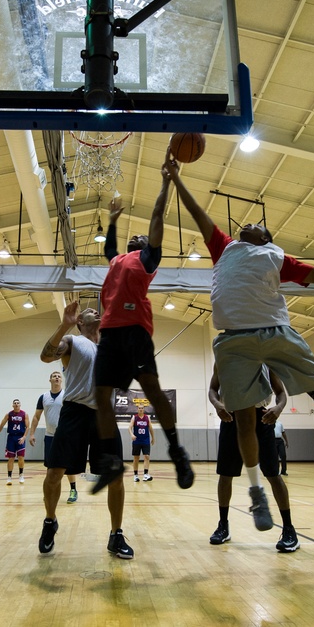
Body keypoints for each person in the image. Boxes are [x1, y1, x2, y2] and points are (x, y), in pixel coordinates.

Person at [168, 152, 314, 530]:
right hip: (233, 341)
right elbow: (197, 213)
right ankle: (256, 494)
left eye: (256, 223)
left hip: (274, 333)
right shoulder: (224, 246)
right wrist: (176, 179)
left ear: (265, 238)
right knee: (242, 422)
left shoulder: (276, 256)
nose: (249, 222)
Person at [91, 172, 194, 494]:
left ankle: (177, 450)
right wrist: (112, 220)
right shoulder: (117, 260)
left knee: (151, 388)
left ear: (149, 244)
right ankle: (110, 459)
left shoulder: (148, 258)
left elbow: (156, 217)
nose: (136, 236)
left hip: (135, 330)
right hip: (109, 332)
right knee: (101, 397)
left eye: (142, 236)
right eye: (132, 236)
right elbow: (109, 246)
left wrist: (164, 185)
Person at [39, 301, 133, 559]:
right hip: (75, 412)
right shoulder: (72, 340)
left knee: (115, 478)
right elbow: (46, 356)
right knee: (55, 472)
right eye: (89, 312)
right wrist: (64, 325)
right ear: (80, 322)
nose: (96, 312)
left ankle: (116, 535)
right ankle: (49, 522)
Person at [209, 363, 299, 552]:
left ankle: (289, 529)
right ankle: (223, 526)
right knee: (225, 475)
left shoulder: (265, 359)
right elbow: (212, 389)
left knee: (273, 474)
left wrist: (279, 408)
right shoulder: (224, 357)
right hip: (230, 416)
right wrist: (217, 405)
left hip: (262, 417)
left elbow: (281, 393)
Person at [28, 371, 78, 502]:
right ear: (50, 380)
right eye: (54, 376)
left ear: (61, 380)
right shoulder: (43, 397)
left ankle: (73, 489)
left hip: (65, 435)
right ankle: (51, 492)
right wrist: (32, 433)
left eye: (59, 376)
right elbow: (36, 416)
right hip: (49, 436)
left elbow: (74, 415)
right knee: (51, 467)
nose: (56, 377)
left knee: (67, 465)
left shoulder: (67, 395)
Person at [0, 399, 29, 485]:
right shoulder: (9, 414)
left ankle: (21, 475)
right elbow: (2, 425)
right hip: (11, 437)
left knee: (21, 457)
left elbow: (28, 427)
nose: (16, 404)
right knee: (11, 458)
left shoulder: (24, 414)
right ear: (12, 405)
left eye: (18, 403)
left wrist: (24, 437)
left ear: (20, 405)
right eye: (15, 403)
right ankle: (9, 477)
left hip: (20, 437)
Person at [129, 403, 153, 482]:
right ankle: (135, 475)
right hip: (137, 441)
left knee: (146, 456)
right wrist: (132, 434)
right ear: (137, 409)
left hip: (145, 440)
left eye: (142, 408)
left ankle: (145, 475)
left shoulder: (147, 418)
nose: (141, 409)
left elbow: (150, 428)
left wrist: (153, 438)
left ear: (144, 409)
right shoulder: (134, 417)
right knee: (136, 458)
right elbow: (129, 427)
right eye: (139, 408)